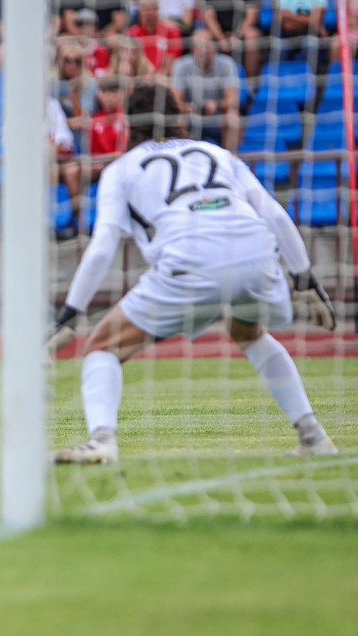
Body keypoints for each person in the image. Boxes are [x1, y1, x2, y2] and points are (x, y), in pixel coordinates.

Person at [50, 84, 339, 464]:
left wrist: (71, 312)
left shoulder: (121, 169)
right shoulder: (217, 153)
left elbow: (104, 243)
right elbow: (272, 213)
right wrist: (305, 279)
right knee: (248, 332)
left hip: (190, 259)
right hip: (257, 253)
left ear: (127, 125)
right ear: (180, 117)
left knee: (102, 346)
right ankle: (313, 435)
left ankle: (102, 440)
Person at [170, 28, 241, 151]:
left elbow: (233, 100)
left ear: (214, 47)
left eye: (207, 45)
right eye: (199, 46)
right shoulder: (180, 65)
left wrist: (215, 105)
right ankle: (182, 158)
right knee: (178, 120)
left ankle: (231, 160)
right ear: (192, 49)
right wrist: (189, 108)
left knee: (233, 118)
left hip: (217, 117)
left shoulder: (227, 64)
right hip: (190, 116)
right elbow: (175, 101)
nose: (204, 50)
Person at [203, 0, 262, 79]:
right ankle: (206, 84)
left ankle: (251, 85)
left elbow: (252, 14)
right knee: (202, 38)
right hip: (218, 34)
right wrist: (221, 38)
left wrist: (236, 37)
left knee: (252, 36)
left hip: (242, 32)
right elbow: (208, 16)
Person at [125, 0, 183, 75]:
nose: (149, 11)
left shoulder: (171, 32)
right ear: (139, 10)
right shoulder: (132, 33)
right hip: (140, 79)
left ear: (158, 8)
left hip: (165, 78)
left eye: (152, 7)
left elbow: (170, 65)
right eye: (145, 7)